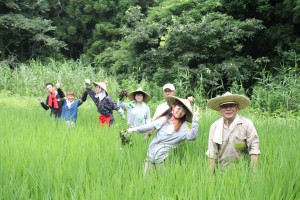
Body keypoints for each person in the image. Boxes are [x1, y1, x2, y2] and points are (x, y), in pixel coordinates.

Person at [126, 96, 200, 176]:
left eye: (183, 110)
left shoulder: (184, 127)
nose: (180, 112)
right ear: (173, 107)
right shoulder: (164, 119)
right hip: (150, 156)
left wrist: (195, 122)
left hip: (163, 159)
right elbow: (150, 126)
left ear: (185, 113)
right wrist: (134, 129)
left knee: (161, 182)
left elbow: (192, 136)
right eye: (179, 108)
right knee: (145, 181)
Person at [206, 92, 260, 176]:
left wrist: (253, 175)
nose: (228, 109)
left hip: (242, 174)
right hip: (221, 174)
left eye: (231, 105)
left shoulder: (247, 124)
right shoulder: (215, 126)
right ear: (220, 109)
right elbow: (212, 153)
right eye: (224, 106)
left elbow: (254, 150)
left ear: (237, 107)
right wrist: (210, 177)